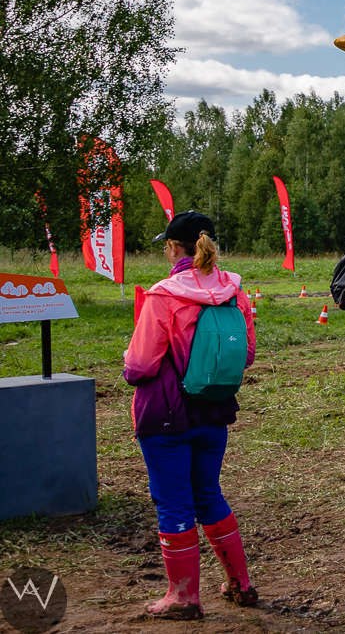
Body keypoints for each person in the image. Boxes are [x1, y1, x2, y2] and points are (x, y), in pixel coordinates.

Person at [123, 211, 259, 618]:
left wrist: (127, 361)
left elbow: (141, 366)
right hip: (214, 411)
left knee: (174, 503)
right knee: (207, 494)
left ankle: (183, 597)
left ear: (173, 247)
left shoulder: (164, 295)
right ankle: (240, 582)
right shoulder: (235, 290)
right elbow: (246, 355)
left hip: (165, 415)